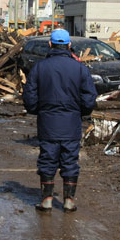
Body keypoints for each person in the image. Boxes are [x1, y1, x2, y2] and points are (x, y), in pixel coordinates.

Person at [23, 29, 98, 213]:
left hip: (48, 123)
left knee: (47, 159)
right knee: (70, 160)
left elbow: (29, 96)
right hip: (71, 123)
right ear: (69, 45)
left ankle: (47, 200)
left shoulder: (40, 67)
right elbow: (89, 97)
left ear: (50, 44)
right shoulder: (80, 68)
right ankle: (69, 201)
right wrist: (82, 112)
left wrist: (36, 110)